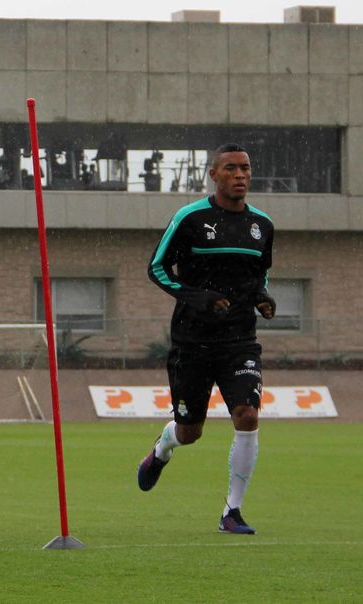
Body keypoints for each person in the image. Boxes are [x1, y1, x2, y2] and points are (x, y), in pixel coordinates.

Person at [139, 143, 275, 535]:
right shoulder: (191, 218)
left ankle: (232, 511)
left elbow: (259, 276)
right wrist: (198, 297)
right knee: (190, 431)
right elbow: (157, 268)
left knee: (247, 415)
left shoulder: (262, 225)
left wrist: (263, 299)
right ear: (214, 175)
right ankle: (163, 448)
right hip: (192, 342)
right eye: (231, 168)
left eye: (246, 168)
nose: (240, 175)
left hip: (240, 342)